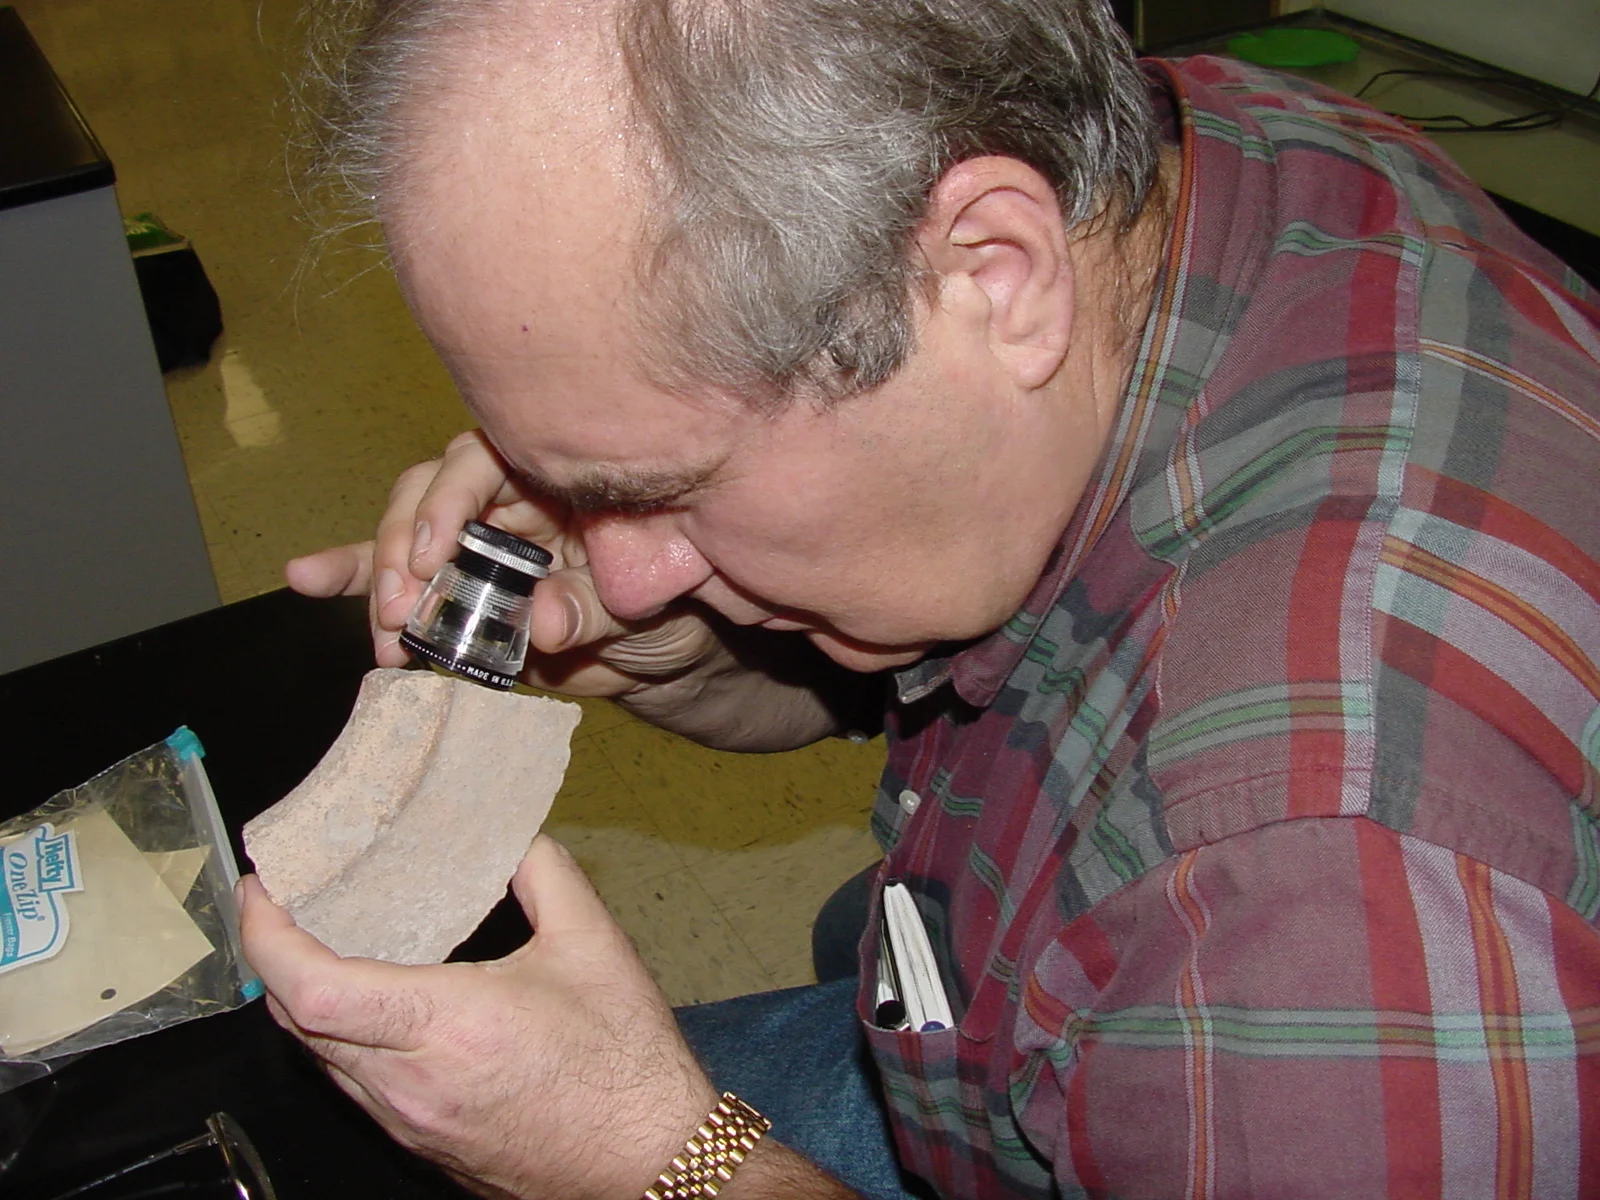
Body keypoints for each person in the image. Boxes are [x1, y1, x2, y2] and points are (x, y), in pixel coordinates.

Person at [238, 0, 1600, 1196]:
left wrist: (655, 1161)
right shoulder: (1177, 161)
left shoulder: (1305, 919)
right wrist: (689, 660)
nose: (632, 567)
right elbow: (962, 693)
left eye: (666, 483)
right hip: (1002, 1001)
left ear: (993, 277)